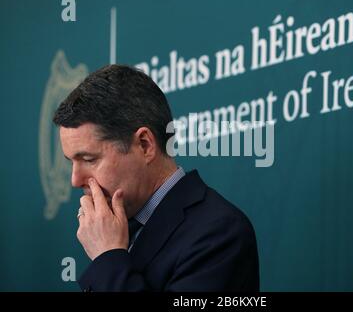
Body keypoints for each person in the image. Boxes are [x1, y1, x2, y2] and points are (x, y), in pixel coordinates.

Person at [52, 64, 260, 292]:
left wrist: (108, 258)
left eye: (89, 159)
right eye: (72, 162)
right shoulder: (116, 229)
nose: (75, 180)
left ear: (145, 145)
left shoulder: (219, 234)